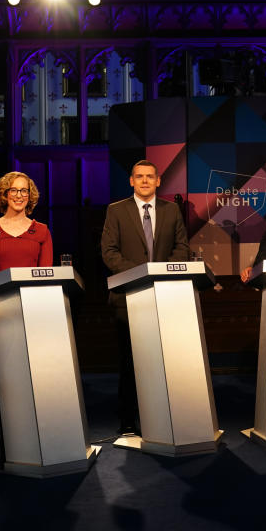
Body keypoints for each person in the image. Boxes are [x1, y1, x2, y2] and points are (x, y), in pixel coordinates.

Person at [0, 171, 52, 455]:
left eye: (24, 191)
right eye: (13, 191)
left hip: (31, 312)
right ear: (3, 195)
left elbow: (45, 272)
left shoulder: (40, 231)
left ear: (31, 196)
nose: (18, 196)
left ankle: (35, 428)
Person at [101, 160, 190, 434]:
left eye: (149, 177)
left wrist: (160, 274)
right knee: (130, 362)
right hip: (128, 297)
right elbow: (109, 252)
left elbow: (181, 247)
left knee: (164, 360)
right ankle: (128, 419)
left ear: (158, 181)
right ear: (131, 181)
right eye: (139, 177)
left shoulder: (172, 210)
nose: (144, 181)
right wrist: (143, 273)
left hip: (164, 297)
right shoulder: (116, 210)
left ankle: (165, 416)